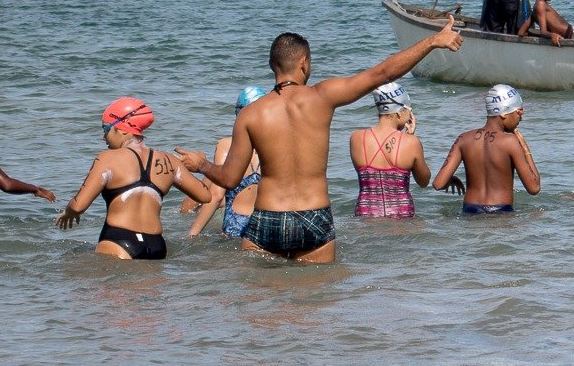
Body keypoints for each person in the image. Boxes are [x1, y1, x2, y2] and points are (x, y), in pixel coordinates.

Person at [176, 23, 463, 261]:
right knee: (315, 311)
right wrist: (433, 41)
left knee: (261, 308)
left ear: (272, 66)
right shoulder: (322, 97)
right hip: (314, 217)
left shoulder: (251, 114)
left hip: (268, 217)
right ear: (304, 63)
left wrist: (201, 164)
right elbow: (382, 73)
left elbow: (229, 178)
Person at [57, 97, 217, 259]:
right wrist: (200, 166)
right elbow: (205, 196)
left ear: (123, 128)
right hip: (156, 245)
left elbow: (79, 206)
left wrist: (68, 212)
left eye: (106, 129)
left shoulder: (107, 159)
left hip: (119, 241)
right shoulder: (170, 160)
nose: (103, 137)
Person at [432, 84, 540, 214]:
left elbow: (438, 184)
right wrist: (525, 148)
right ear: (504, 114)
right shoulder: (510, 142)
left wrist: (451, 179)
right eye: (519, 111)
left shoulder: (463, 139)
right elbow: (534, 188)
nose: (521, 118)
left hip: (469, 211)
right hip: (501, 213)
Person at [187, 84, 266, 240]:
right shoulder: (278, 145)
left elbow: (216, 195)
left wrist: (193, 234)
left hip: (236, 223)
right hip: (266, 221)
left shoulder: (227, 145)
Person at [349, 82, 429, 219]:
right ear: (399, 113)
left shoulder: (356, 138)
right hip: (402, 217)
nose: (410, 114)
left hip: (366, 216)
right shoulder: (411, 143)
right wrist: (410, 138)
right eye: (409, 110)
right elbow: (424, 181)